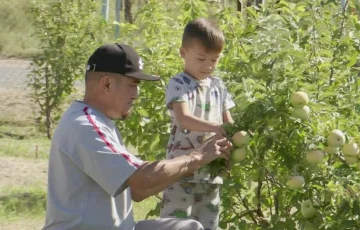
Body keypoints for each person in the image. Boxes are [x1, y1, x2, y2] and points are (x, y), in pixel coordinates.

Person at [42, 43, 232, 230]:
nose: (136, 94)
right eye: (133, 84)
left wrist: (196, 165)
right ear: (106, 84)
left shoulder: (98, 120)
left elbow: (138, 191)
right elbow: (141, 180)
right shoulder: (85, 125)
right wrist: (196, 157)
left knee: (189, 227)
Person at [160, 18, 235, 230]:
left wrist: (235, 139)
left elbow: (228, 121)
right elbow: (183, 118)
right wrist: (215, 127)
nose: (208, 66)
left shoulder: (218, 85)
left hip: (212, 170)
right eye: (201, 59)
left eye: (214, 60)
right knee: (176, 224)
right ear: (183, 53)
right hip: (182, 169)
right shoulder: (178, 84)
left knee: (209, 224)